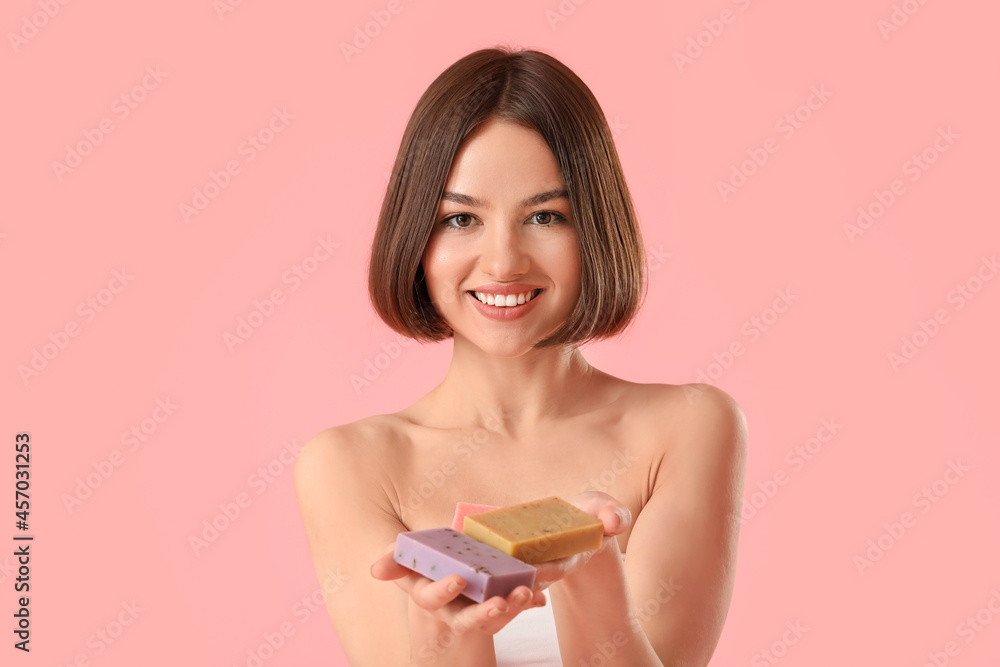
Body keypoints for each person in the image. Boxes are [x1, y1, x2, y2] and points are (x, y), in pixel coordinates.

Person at [294, 45, 747, 667]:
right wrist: (447, 637)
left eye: (544, 215)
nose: (504, 261)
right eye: (460, 220)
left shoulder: (688, 427)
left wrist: (590, 574)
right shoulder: (349, 464)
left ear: (594, 229)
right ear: (416, 239)